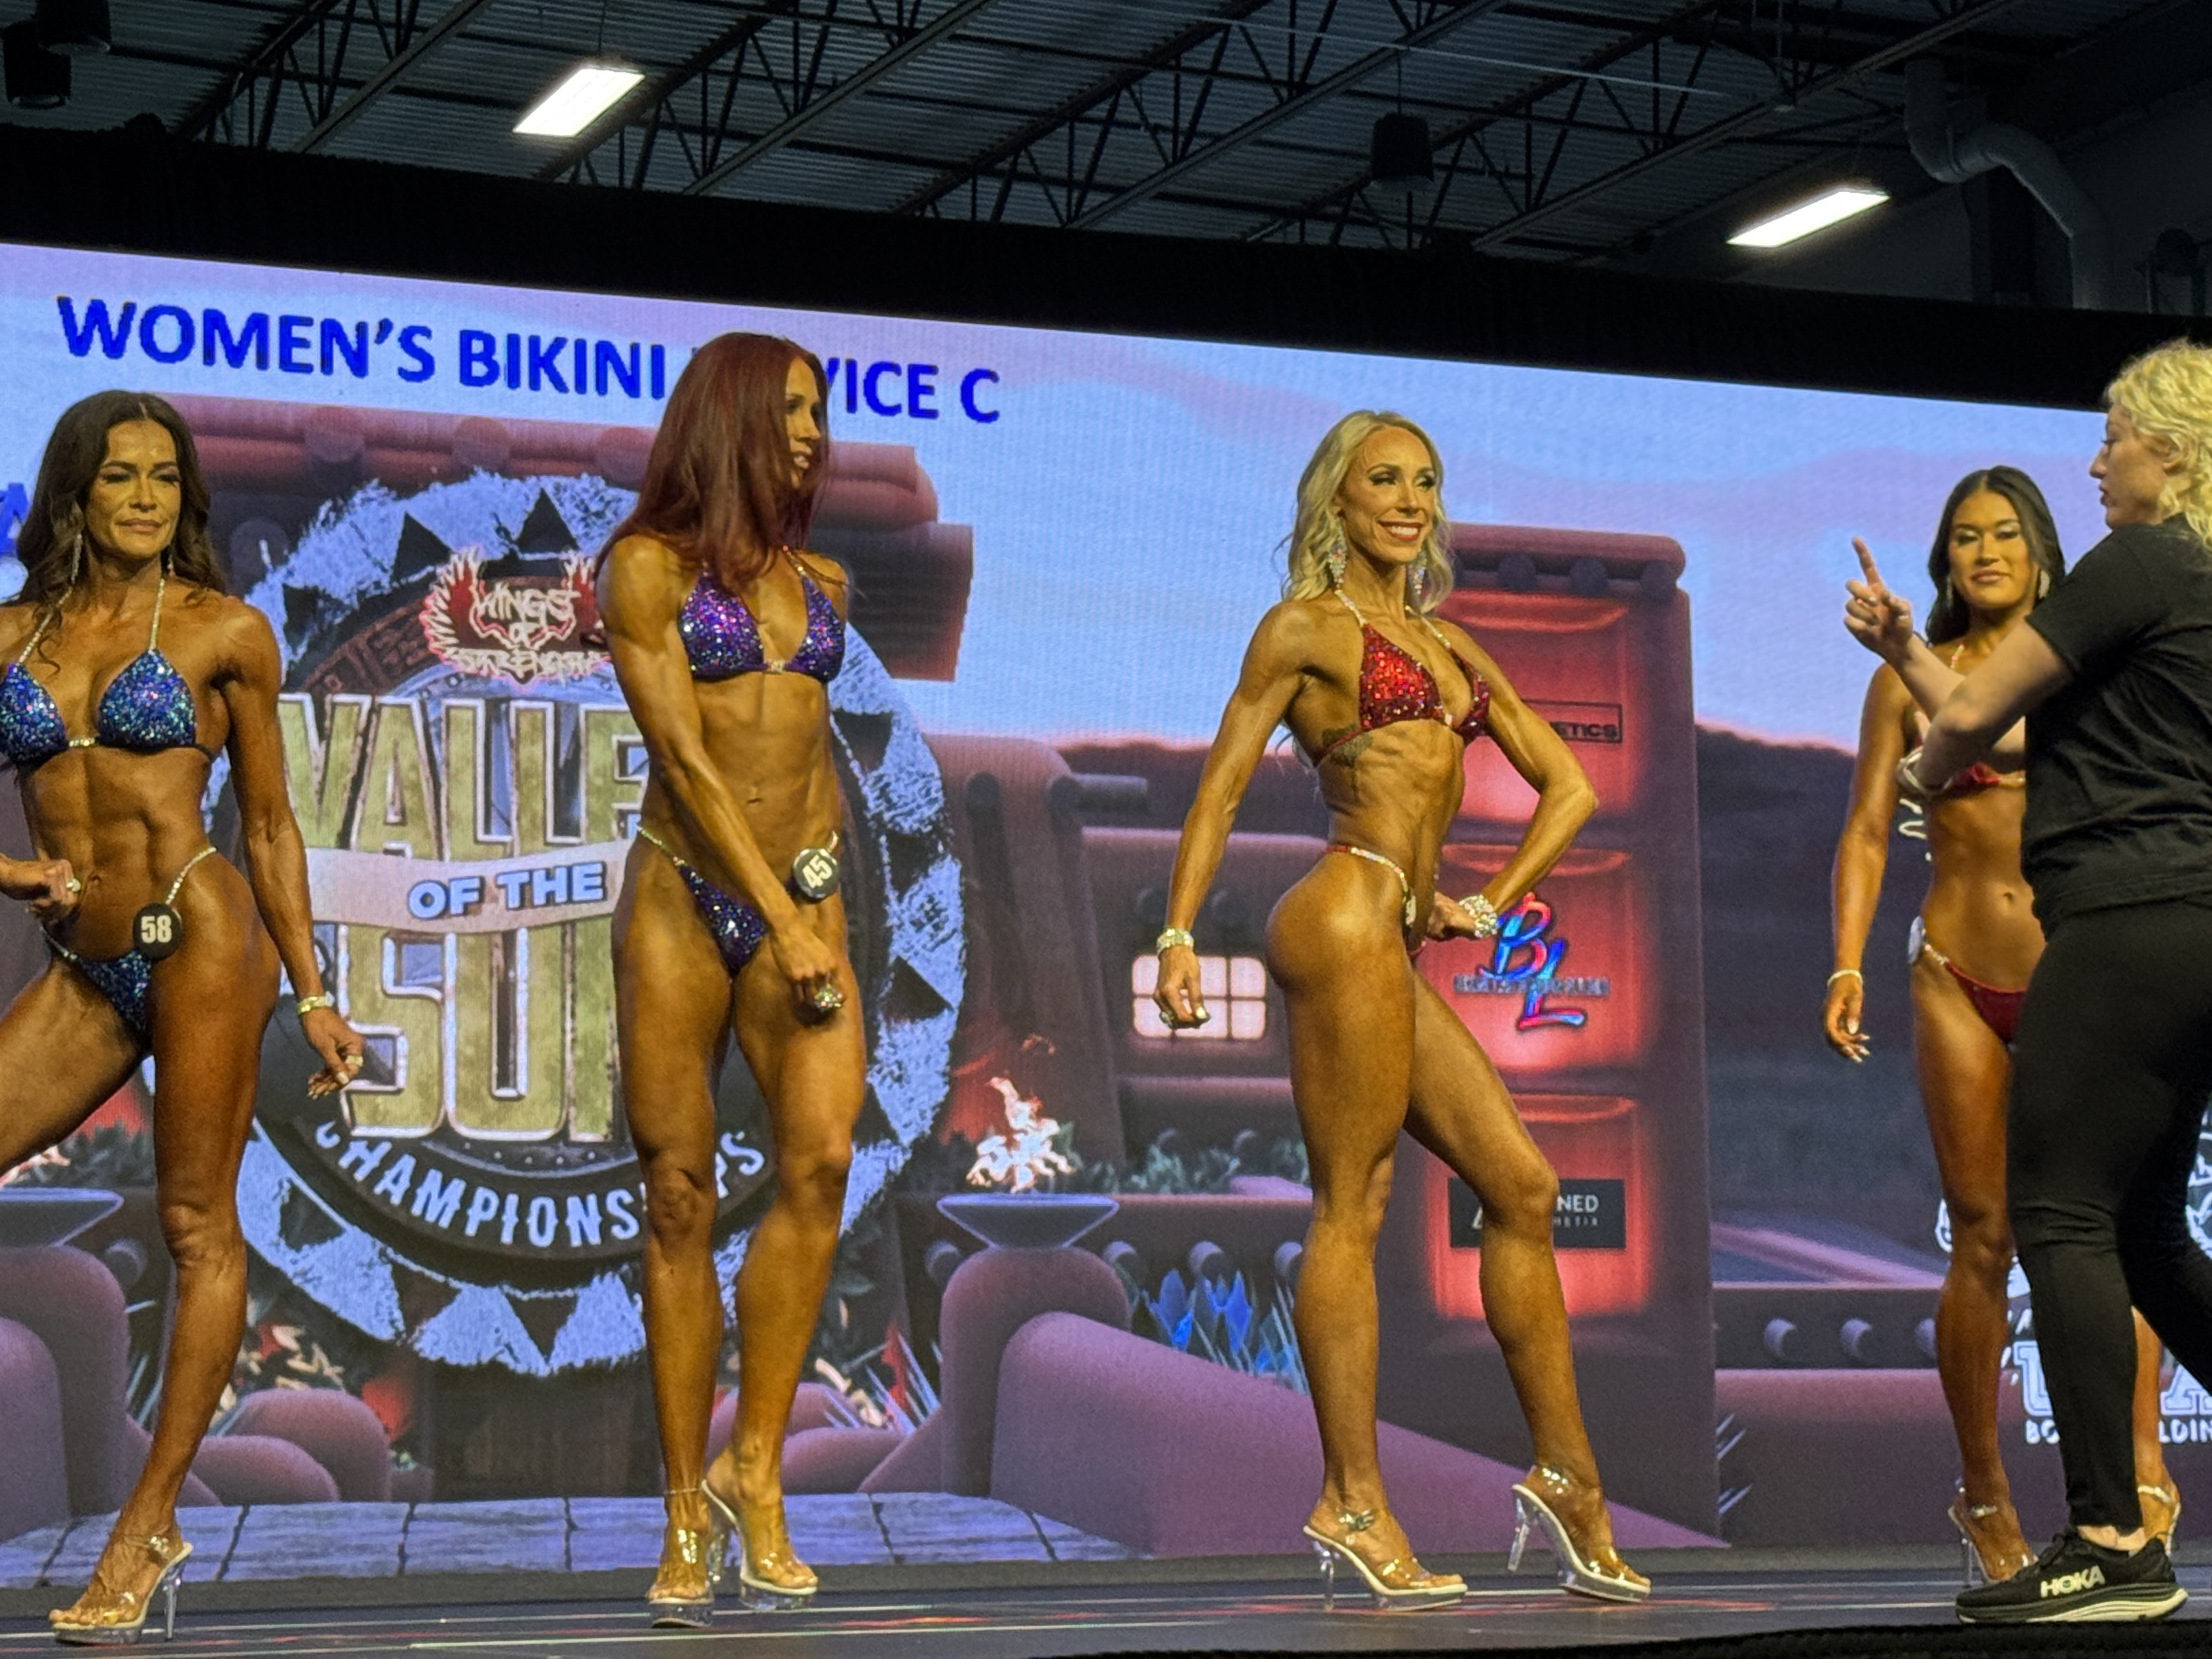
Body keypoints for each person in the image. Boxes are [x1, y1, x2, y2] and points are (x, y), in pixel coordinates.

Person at [1152, 411, 1648, 1609]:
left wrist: (1489, 902)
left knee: (1523, 1189)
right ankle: (1354, 1501)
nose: (1411, 500)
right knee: (1355, 1204)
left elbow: (1570, 787)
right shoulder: (1303, 628)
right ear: (1339, 499)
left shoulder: (1450, 646)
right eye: (1385, 479)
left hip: (1399, 934)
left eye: (1426, 481)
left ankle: (1569, 1479)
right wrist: (1176, 933)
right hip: (1341, 915)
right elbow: (1222, 786)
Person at [1845, 339, 2212, 1624]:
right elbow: (2009, 727)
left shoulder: (2143, 560)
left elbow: (1965, 730)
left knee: (2057, 1214)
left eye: (2114, 437)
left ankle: (2111, 1540)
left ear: (2171, 448)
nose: (2098, 461)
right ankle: (2117, 1535)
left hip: (2122, 923)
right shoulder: (2198, 581)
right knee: (2147, 1232)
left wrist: (1917, 770)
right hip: (2193, 926)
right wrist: (1911, 654)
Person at [0, 391, 363, 1644]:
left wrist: (314, 992)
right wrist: (12, 874)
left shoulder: (224, 631)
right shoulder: (12, 635)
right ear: (75, 492)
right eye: (121, 477)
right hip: (85, 967)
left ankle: (146, 1523)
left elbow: (267, 823)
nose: (147, 498)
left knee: (197, 1225)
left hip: (200, 931)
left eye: (165, 477)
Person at [599, 333, 861, 1627]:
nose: (813, 431)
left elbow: (804, 753)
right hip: (682, 900)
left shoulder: (827, 584)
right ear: (734, 414)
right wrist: (775, 920)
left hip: (806, 893)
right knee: (678, 1197)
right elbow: (688, 763)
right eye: (793, 408)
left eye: (820, 411)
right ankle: (682, 1509)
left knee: (821, 1162)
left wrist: (810, 909)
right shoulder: (644, 568)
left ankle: (755, 1466)